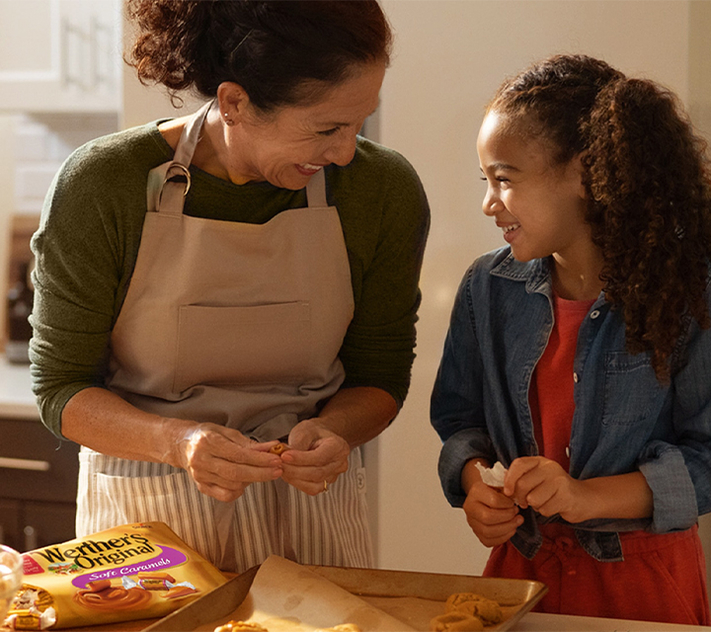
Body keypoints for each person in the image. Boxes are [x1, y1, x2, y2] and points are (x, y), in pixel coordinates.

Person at [30, 0, 429, 573]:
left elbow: (381, 372)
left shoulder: (381, 188)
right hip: (149, 520)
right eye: (326, 128)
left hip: (312, 517)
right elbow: (59, 387)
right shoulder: (106, 183)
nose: (346, 151)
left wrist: (337, 430)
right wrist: (176, 442)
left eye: (360, 121)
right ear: (235, 101)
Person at [430, 53, 711, 625]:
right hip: (518, 578)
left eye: (504, 179)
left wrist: (584, 498)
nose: (489, 203)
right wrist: (471, 482)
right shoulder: (487, 286)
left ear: (584, 173)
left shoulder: (690, 290)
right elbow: (460, 418)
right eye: (485, 181)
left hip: (643, 586)